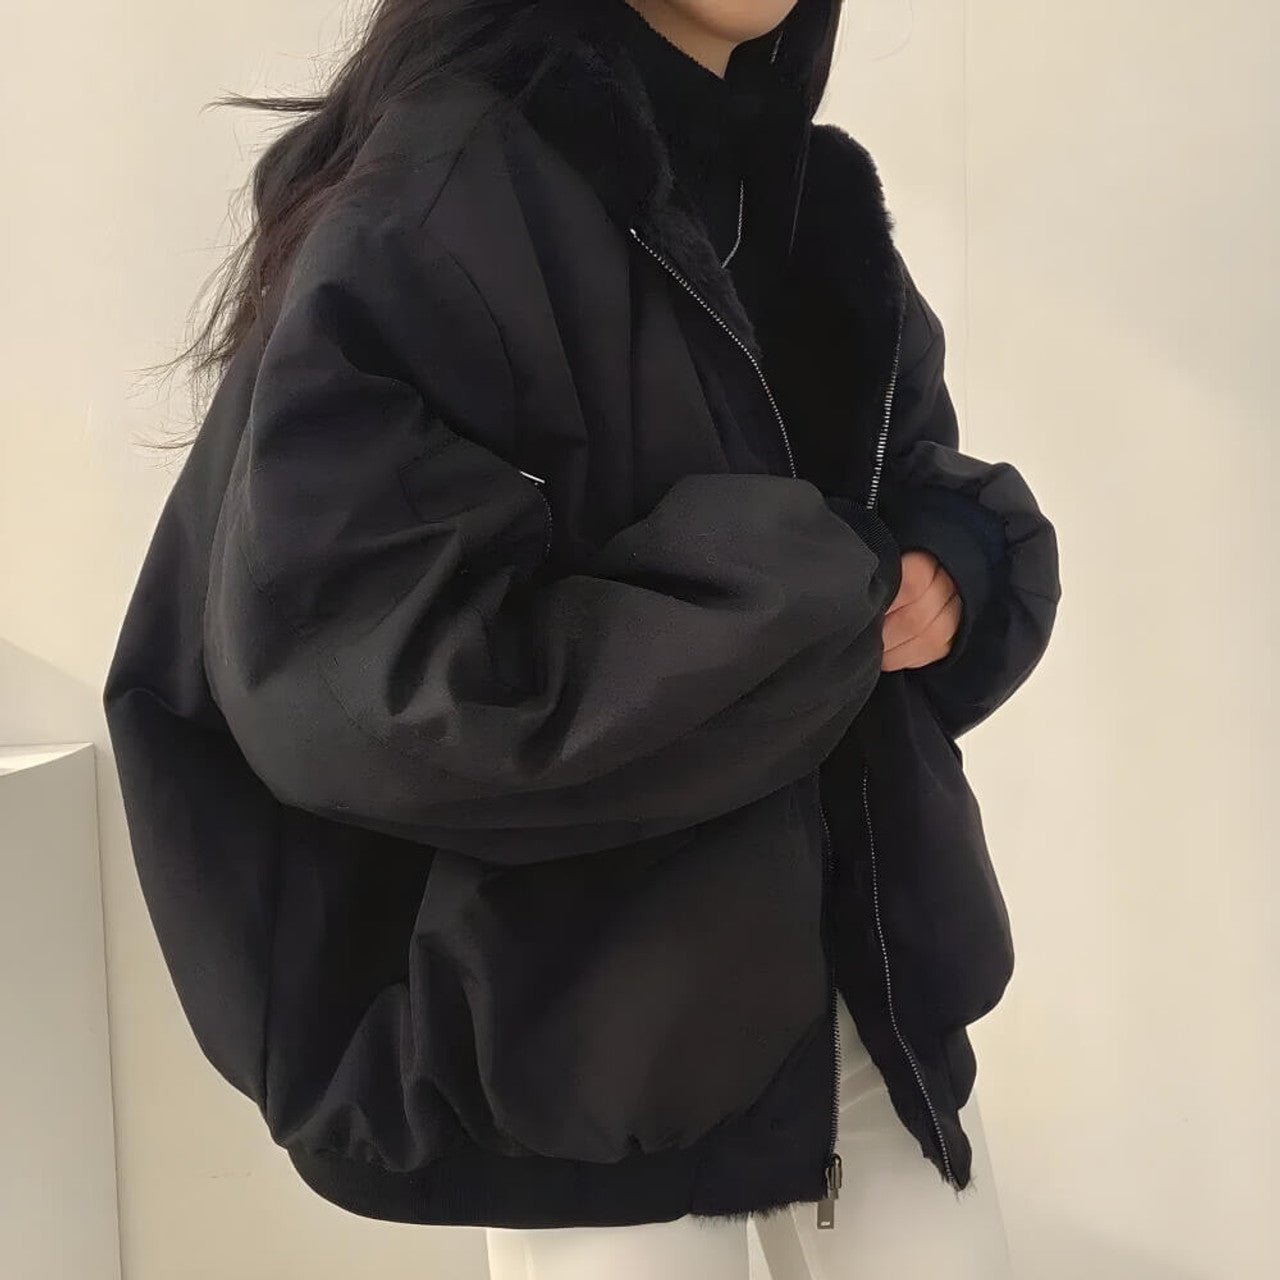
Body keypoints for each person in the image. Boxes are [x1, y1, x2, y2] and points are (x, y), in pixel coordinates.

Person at [103, 0, 1060, 1275]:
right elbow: (365, 668)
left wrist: (959, 561)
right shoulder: (456, 184)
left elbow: (898, 487)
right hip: (582, 1057)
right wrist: (806, 606)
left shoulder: (801, 193)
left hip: (866, 1003)